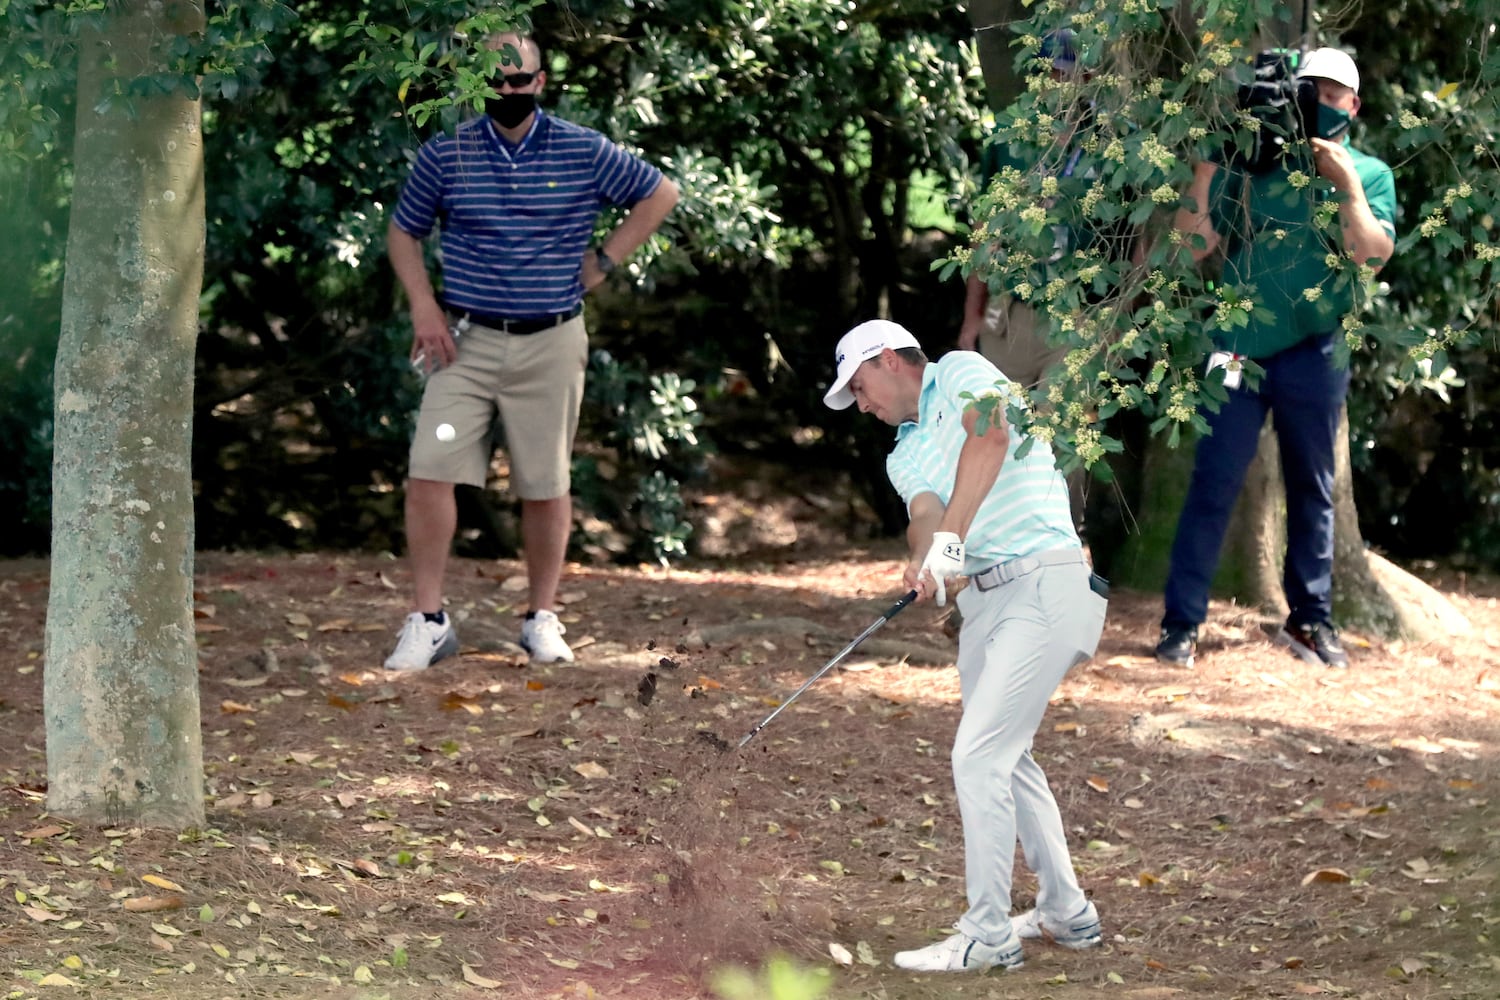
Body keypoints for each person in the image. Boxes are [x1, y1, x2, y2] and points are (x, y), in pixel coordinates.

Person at [384, 32, 680, 670]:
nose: (508, 93)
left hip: (552, 339)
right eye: (497, 82)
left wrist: (603, 261)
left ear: (540, 83)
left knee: (546, 483)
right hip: (463, 344)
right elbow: (404, 230)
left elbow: (660, 193)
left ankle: (541, 618)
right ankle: (428, 620)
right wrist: (423, 305)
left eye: (520, 82)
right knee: (430, 470)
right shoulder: (449, 153)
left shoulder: (581, 148)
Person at [824, 319, 1107, 973]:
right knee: (1008, 759)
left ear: (890, 360)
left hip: (1044, 583)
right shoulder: (903, 452)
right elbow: (924, 514)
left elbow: (993, 435)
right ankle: (1065, 910)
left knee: (977, 757)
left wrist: (952, 537)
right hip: (985, 605)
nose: (860, 405)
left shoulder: (961, 372)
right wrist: (928, 559)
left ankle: (988, 935)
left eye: (859, 387)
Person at [1154, 46, 1396, 670]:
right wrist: (1206, 173)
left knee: (1311, 488)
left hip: (1316, 351)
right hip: (1236, 346)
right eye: (1309, 90)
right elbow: (1194, 243)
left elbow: (1371, 253)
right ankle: (1181, 624)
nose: (1319, 101)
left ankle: (1311, 620)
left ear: (1353, 104)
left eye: (1331, 93)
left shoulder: (1368, 172)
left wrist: (1343, 183)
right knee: (1214, 480)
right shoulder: (1255, 166)